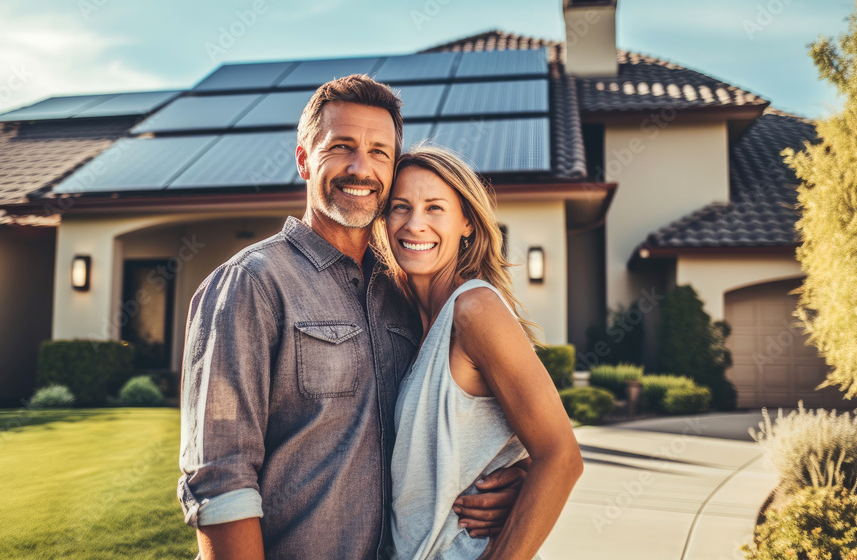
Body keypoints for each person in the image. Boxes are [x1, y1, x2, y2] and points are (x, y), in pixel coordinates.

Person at [177, 75, 528, 560]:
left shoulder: (405, 292)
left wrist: (512, 481)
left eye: (380, 152)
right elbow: (220, 477)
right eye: (342, 146)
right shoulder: (251, 283)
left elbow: (454, 423)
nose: (361, 168)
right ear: (303, 158)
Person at [376, 146, 583, 560]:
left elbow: (561, 457)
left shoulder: (474, 310)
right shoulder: (405, 320)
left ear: (467, 223)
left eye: (435, 208)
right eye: (401, 207)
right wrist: (518, 472)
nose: (415, 224)